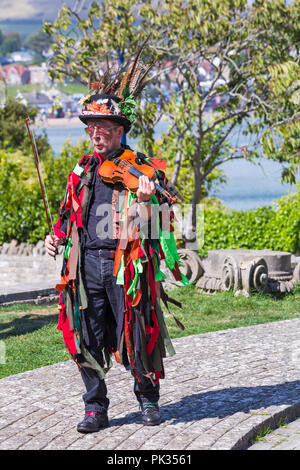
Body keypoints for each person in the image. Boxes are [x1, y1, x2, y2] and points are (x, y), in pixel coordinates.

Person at [45, 69, 187, 434]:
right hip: (86, 264)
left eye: (103, 127)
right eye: (91, 127)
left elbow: (161, 227)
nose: (95, 133)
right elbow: (68, 215)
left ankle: (147, 397)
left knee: (135, 333)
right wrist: (55, 237)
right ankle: (95, 407)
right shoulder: (82, 169)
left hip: (127, 266)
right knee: (87, 335)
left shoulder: (143, 171)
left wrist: (144, 202)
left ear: (120, 130)